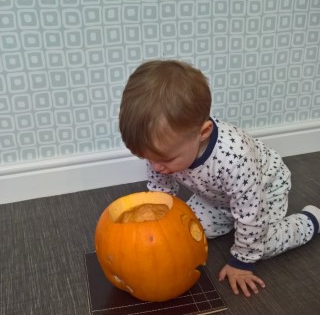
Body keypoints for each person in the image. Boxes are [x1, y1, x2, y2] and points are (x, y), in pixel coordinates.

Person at [119, 59, 320, 297]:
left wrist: (242, 262)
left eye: (165, 160)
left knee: (261, 245)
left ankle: (310, 221)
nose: (155, 167)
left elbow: (250, 213)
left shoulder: (235, 158)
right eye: (147, 158)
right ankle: (232, 226)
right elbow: (161, 189)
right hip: (218, 197)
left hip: (263, 193)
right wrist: (156, 218)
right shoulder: (164, 150)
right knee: (186, 230)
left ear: (202, 133)